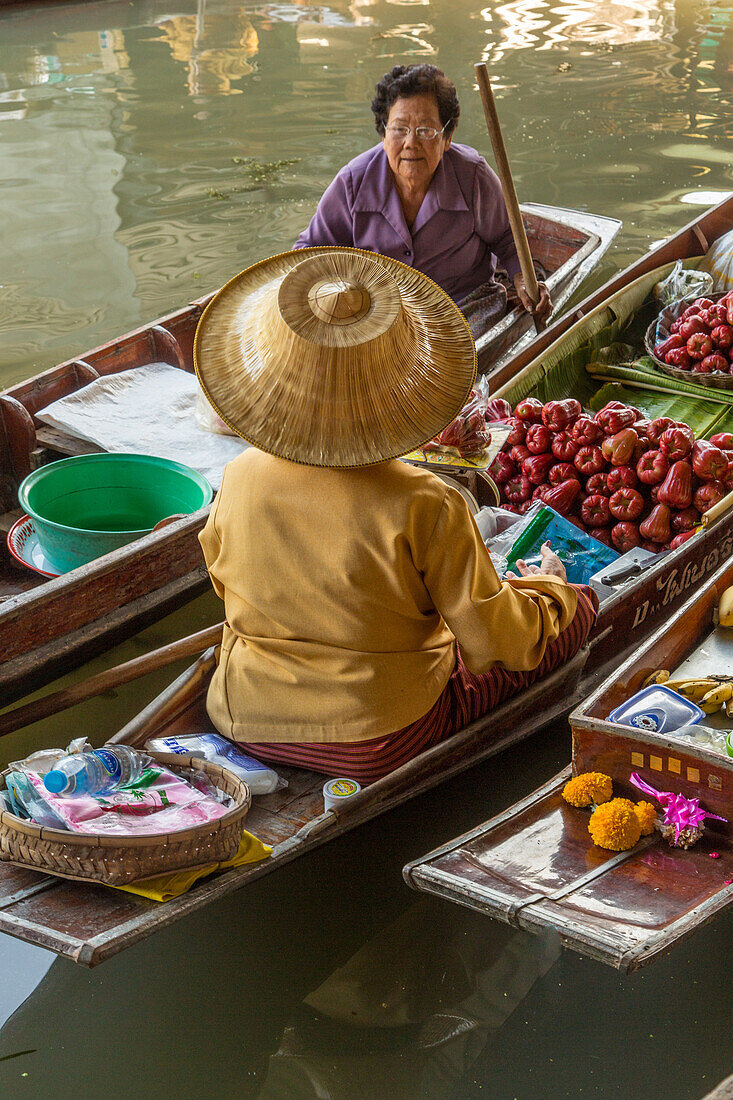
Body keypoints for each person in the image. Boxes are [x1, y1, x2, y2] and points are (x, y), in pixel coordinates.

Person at [195, 246, 595, 783]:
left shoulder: (240, 473)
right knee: (577, 612)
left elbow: (224, 577)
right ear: (400, 391)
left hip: (240, 713)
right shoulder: (427, 501)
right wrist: (552, 593)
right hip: (376, 735)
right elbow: (492, 642)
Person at [293, 63, 552, 334]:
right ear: (383, 134)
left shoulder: (472, 176)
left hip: (462, 307)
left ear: (447, 137)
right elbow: (309, 252)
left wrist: (524, 281)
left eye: (426, 130)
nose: (411, 143)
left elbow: (509, 240)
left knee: (457, 365)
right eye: (399, 129)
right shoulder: (353, 182)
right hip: (380, 314)